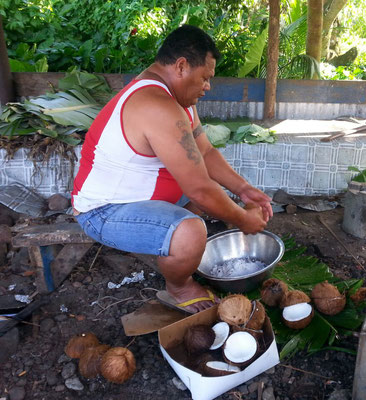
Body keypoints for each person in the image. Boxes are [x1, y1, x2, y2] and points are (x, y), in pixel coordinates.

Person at [71, 25, 272, 314]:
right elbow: (200, 189)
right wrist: (243, 220)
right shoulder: (157, 105)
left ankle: (174, 249)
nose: (207, 86)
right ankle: (179, 286)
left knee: (207, 205)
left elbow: (205, 151)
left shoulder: (177, 100)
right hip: (102, 212)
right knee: (192, 230)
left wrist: (245, 190)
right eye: (205, 77)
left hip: (139, 199)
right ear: (181, 66)